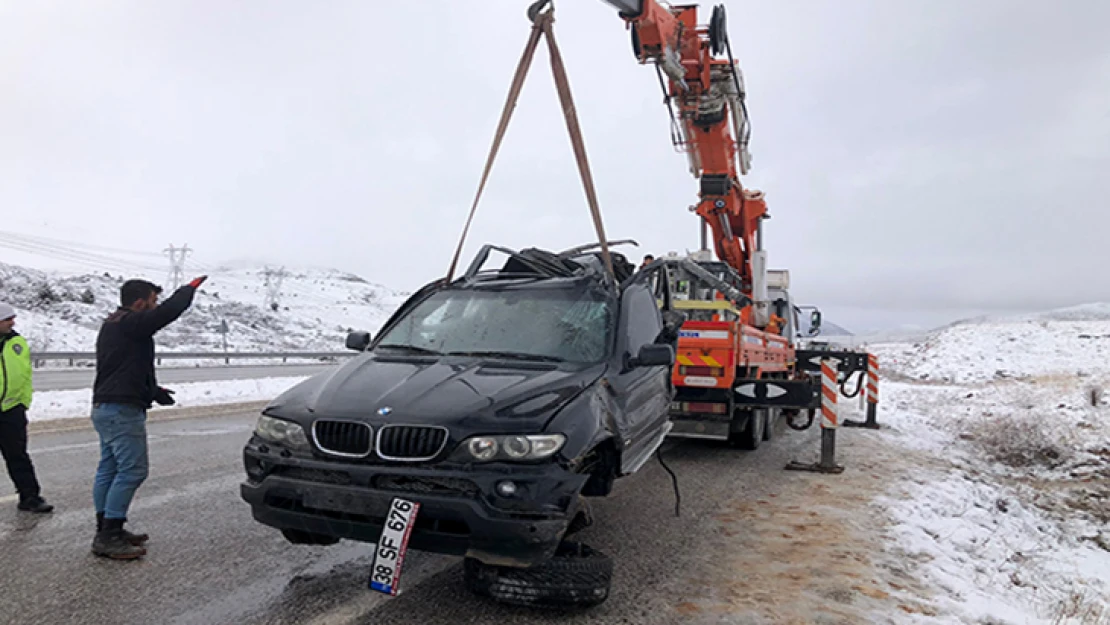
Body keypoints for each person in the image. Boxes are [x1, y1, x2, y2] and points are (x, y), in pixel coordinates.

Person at [90, 276, 206, 559]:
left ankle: (107, 528)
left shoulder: (115, 324)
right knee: (132, 471)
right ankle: (109, 535)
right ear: (140, 303)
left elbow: (125, 366)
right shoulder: (130, 323)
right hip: (121, 410)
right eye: (152, 301)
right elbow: (166, 313)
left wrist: (153, 390)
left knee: (109, 469)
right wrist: (187, 290)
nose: (154, 306)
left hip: (106, 406)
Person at [0, 303, 53, 514]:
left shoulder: (17, 342)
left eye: (12, 318)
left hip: (12, 410)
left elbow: (25, 375)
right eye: (7, 319)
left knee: (18, 456)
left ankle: (30, 497)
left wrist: (23, 402)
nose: (12, 322)